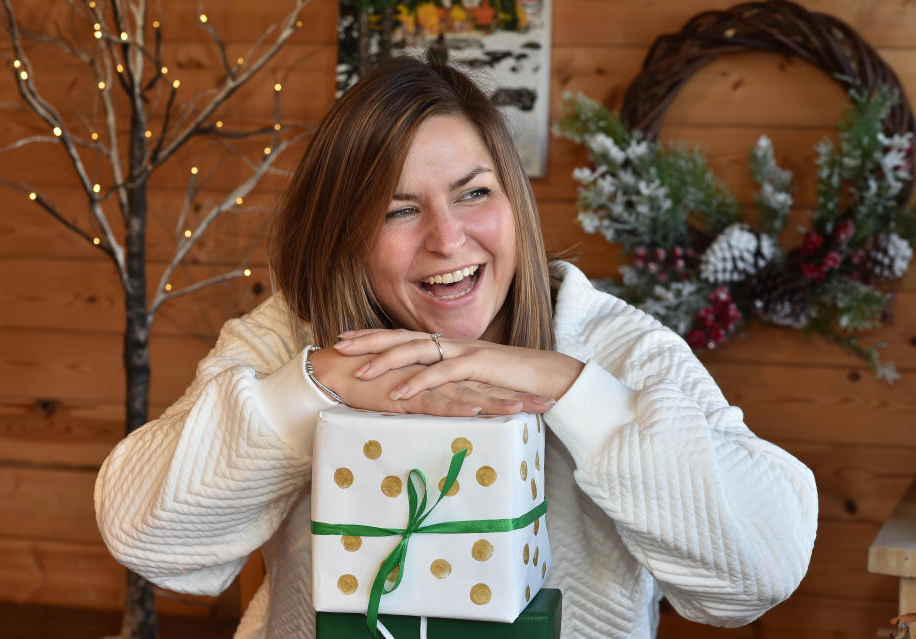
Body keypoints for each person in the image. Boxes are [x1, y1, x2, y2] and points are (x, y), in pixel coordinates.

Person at [94, 55, 817, 639]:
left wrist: (570, 388)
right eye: (399, 209)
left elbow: (765, 565)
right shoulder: (294, 333)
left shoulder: (612, 343)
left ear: (514, 204)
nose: (448, 238)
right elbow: (146, 536)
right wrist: (308, 392)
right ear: (343, 235)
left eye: (474, 193)